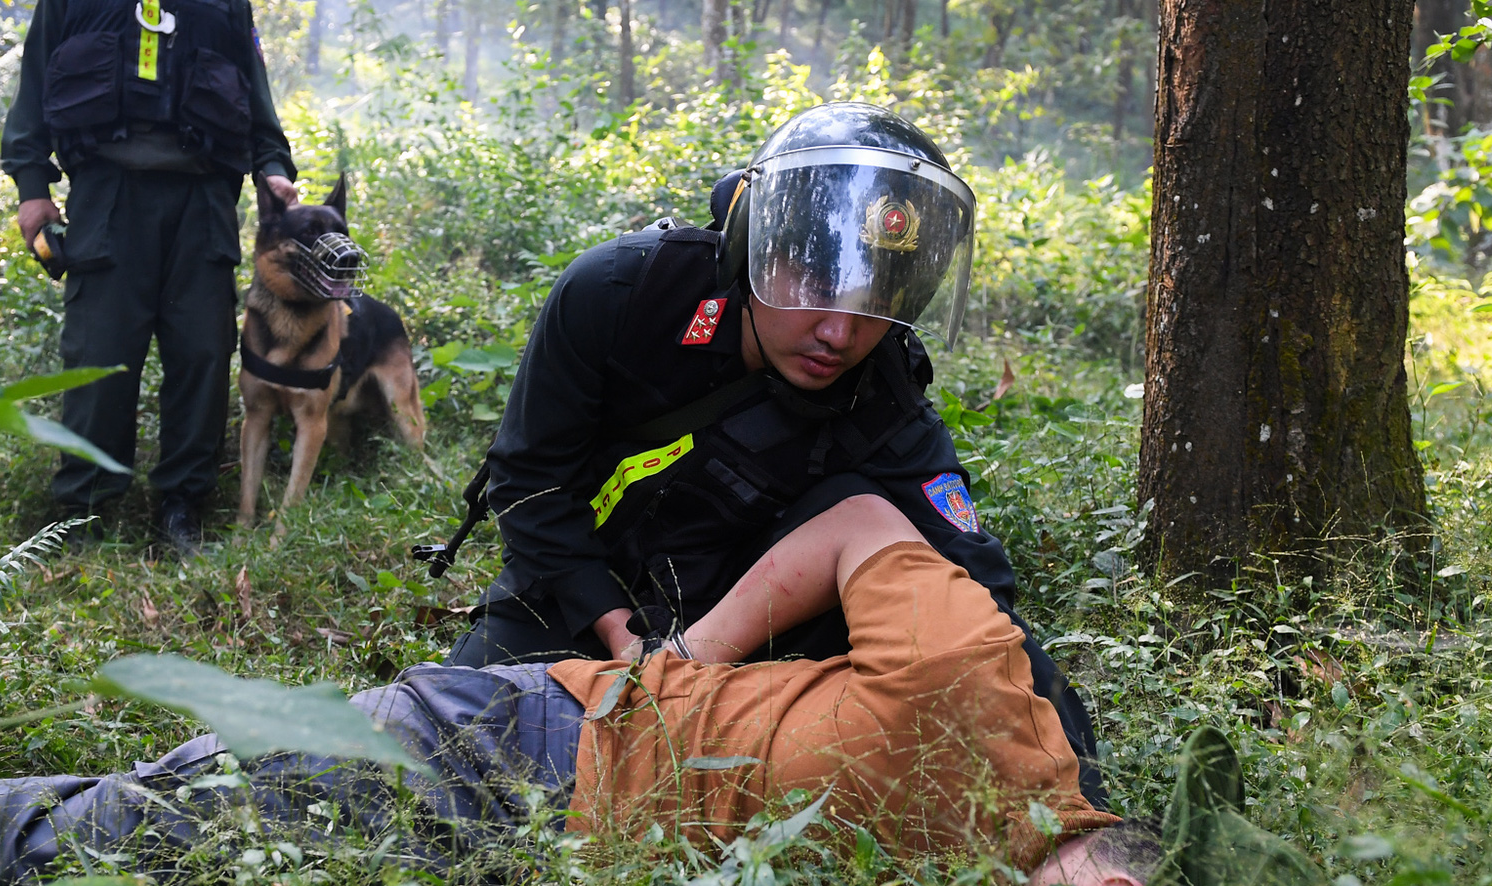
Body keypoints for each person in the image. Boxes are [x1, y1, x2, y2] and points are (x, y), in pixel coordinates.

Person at [0, 495, 1141, 886]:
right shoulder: (982, 695)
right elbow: (862, 525)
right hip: (534, 745)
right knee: (194, 814)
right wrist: (680, 659)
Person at [430, 102, 1108, 808]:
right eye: (813, 285)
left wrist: (1073, 794)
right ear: (750, 249)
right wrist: (619, 634)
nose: (839, 332)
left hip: (735, 634)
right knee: (449, 745)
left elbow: (975, 597)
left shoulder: (884, 401)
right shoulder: (622, 295)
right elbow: (530, 480)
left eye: (874, 299)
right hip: (572, 593)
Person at [0, 0, 298, 555]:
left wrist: (276, 173)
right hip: (108, 203)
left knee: (199, 359)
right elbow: (34, 89)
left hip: (201, 207)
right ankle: (85, 510)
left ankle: (181, 512)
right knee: (101, 358)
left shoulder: (224, 0)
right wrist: (32, 185)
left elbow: (260, 112)